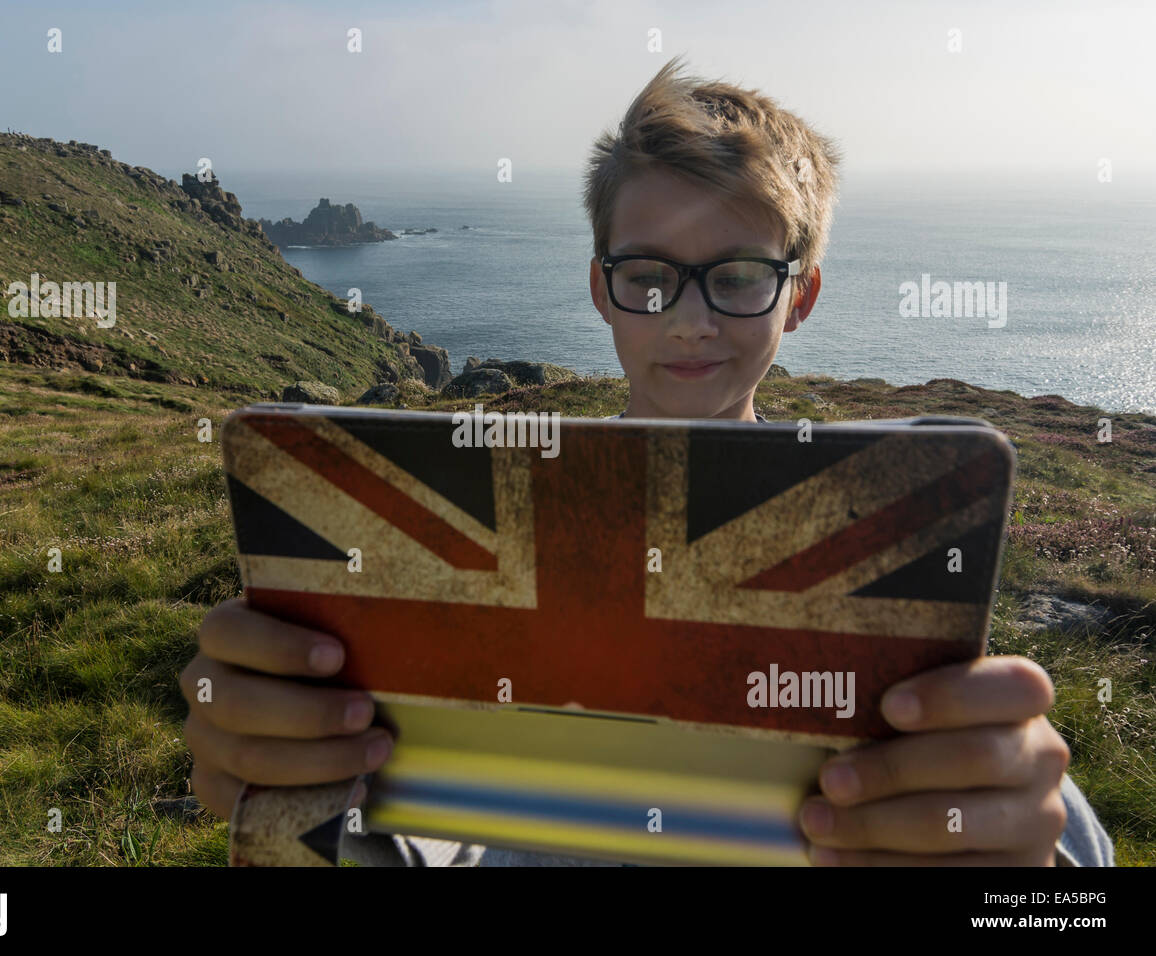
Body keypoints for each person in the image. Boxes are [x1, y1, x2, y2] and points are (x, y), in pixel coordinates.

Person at [180, 56, 1114, 867]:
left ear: (802, 296)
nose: (691, 318)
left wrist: (1032, 843)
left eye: (740, 275)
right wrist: (295, 788)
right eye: (649, 275)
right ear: (602, 288)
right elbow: (436, 828)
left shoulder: (885, 536)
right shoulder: (494, 514)